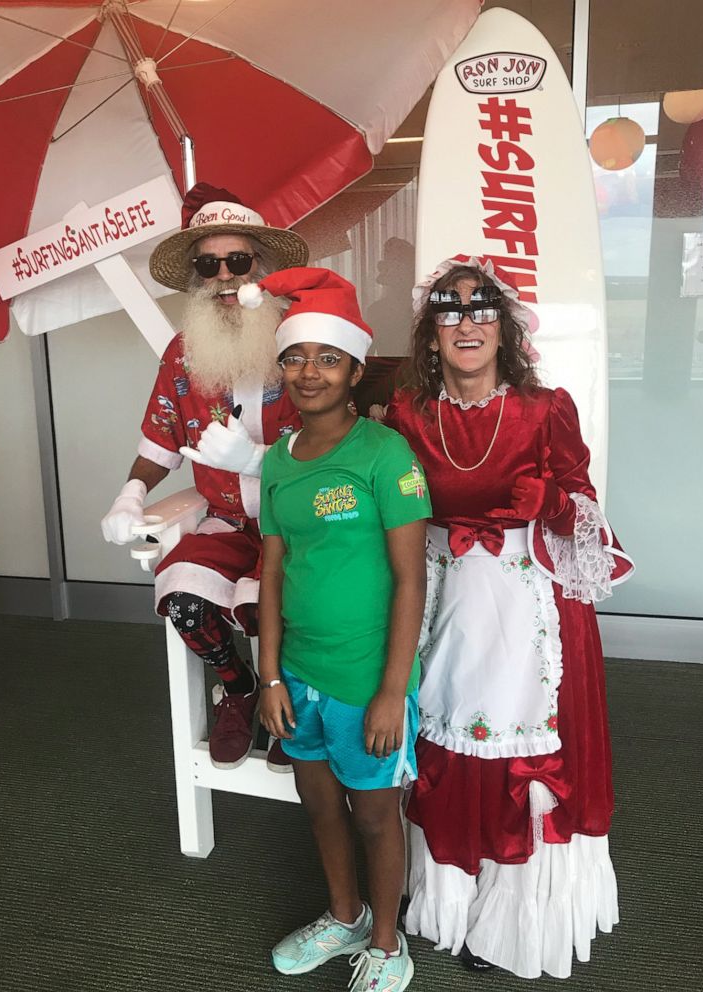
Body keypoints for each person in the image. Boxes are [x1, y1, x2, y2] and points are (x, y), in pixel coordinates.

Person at [384, 254, 634, 980]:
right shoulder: (407, 415)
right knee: (446, 742)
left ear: (506, 326)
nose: (467, 320)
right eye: (450, 308)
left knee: (524, 756)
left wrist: (551, 505)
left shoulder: (546, 408)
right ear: (431, 334)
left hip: (530, 608)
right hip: (445, 600)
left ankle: (511, 912)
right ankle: (449, 902)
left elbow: (586, 515)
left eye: (482, 305)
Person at [246, 267, 430, 992]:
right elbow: (271, 569)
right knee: (319, 802)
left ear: (356, 369)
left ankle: (387, 944)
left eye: (327, 358)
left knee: (377, 816)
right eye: (295, 357)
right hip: (298, 676)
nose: (309, 372)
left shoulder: (385, 457)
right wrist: (268, 676)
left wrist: (392, 691)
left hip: (367, 679)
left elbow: (412, 578)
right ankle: (344, 914)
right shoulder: (277, 462)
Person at [100, 183, 308, 771]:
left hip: (295, 523)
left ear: (260, 269)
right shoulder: (183, 353)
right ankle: (238, 689)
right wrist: (129, 494)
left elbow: (334, 448)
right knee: (185, 600)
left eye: (236, 261)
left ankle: (288, 699)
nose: (223, 276)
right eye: (208, 264)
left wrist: (258, 461)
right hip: (226, 520)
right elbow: (161, 437)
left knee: (279, 605)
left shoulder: (300, 341)